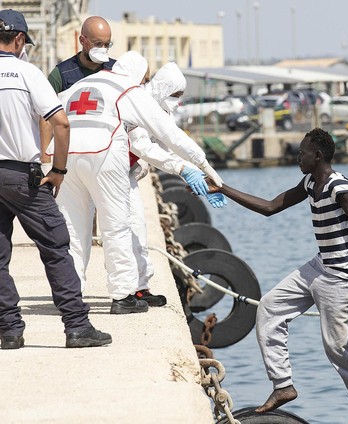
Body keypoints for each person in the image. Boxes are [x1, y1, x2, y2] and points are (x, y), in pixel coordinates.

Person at [207, 127, 348, 413]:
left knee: (338, 351)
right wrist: (223, 188)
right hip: (320, 266)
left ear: (318, 155)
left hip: (344, 277)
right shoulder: (311, 182)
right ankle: (283, 385)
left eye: (302, 153)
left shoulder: (340, 187)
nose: (298, 157)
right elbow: (270, 207)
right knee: (269, 308)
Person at [51, 50, 223, 314]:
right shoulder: (128, 89)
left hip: (64, 157)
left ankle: (70, 296)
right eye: (144, 78)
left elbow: (49, 118)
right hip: (102, 155)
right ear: (136, 75)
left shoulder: (79, 86)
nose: (145, 84)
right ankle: (122, 296)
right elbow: (170, 135)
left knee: (73, 231)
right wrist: (203, 165)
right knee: (116, 227)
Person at [0, 9, 111, 349]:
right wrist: (59, 170)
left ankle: (8, 330)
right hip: (23, 176)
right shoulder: (27, 73)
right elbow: (60, 123)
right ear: (19, 39)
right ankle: (77, 326)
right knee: (56, 247)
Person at [128, 62, 227, 305]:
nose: (177, 101)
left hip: (126, 175)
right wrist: (185, 170)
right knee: (122, 232)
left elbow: (173, 146)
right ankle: (124, 292)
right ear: (163, 89)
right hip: (110, 173)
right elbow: (143, 147)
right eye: (175, 95)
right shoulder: (141, 104)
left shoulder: (163, 110)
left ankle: (139, 289)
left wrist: (201, 174)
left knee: (138, 229)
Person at [41, 16, 115, 168]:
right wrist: (45, 161)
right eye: (97, 44)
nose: (102, 49)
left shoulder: (117, 71)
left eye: (107, 44)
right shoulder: (61, 74)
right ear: (82, 40)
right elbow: (46, 118)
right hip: (71, 158)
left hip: (106, 158)